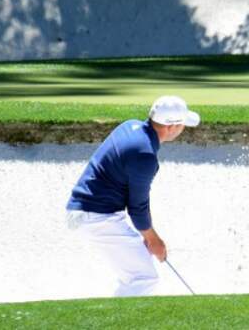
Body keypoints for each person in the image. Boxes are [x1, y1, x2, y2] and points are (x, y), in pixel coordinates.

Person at [66, 95, 200, 297]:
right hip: (97, 217)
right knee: (143, 277)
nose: (183, 130)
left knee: (136, 274)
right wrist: (153, 239)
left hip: (87, 211)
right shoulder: (145, 155)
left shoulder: (130, 126)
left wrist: (148, 237)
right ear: (171, 127)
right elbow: (137, 207)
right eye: (182, 125)